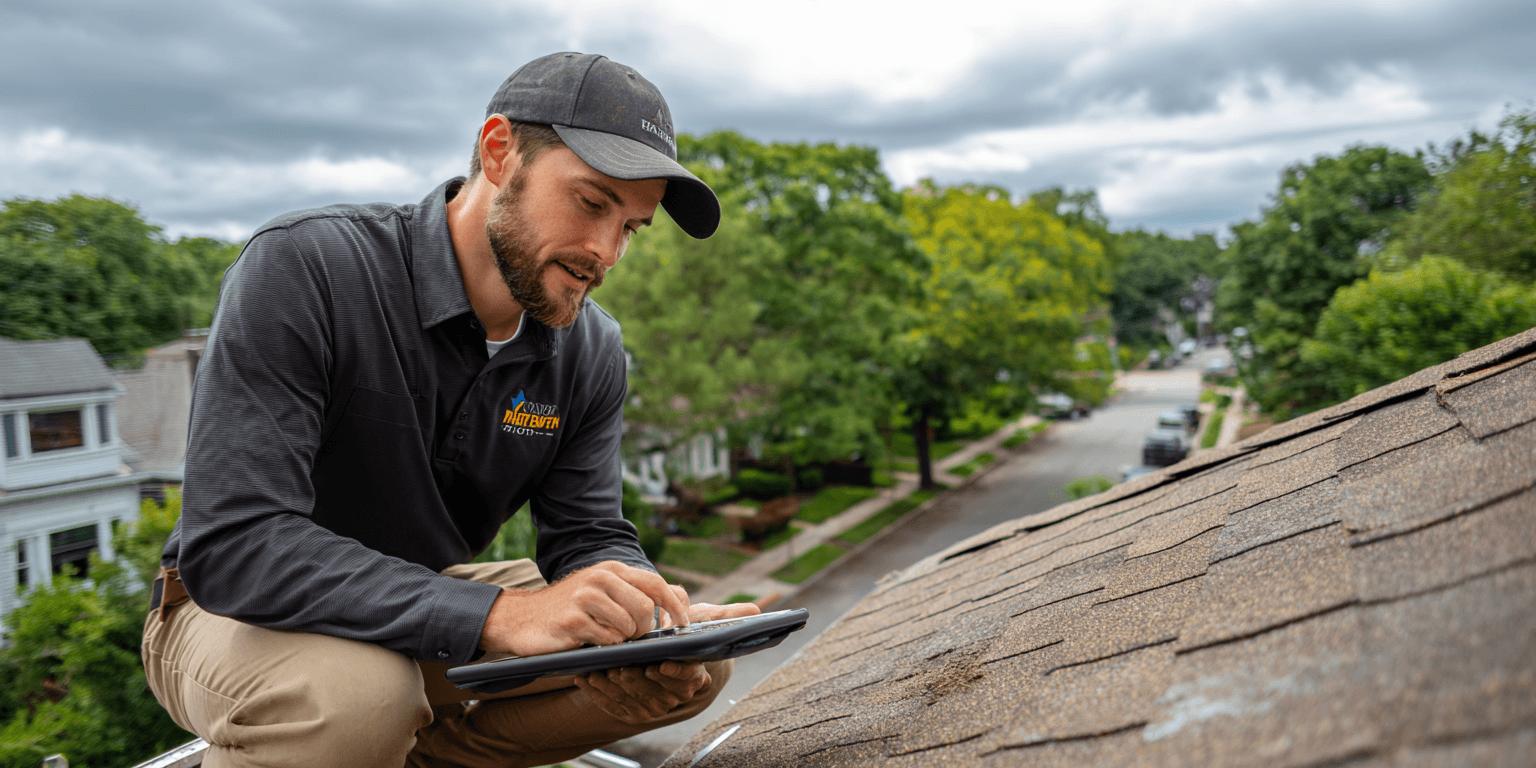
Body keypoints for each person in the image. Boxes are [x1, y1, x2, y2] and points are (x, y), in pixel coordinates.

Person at [141, 52, 759, 768]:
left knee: (687, 662)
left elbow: (586, 533)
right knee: (357, 698)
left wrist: (644, 609)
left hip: (415, 611)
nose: (605, 252)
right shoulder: (307, 269)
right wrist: (500, 616)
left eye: (630, 227)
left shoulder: (591, 350)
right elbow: (237, 545)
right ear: (499, 152)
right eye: (591, 203)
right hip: (226, 611)